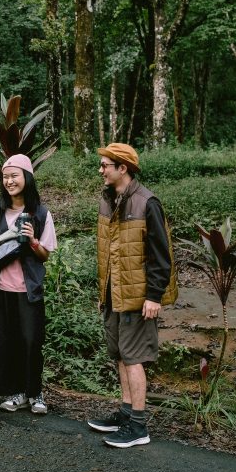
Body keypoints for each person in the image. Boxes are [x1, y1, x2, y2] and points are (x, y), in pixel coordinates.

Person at [87, 143, 177, 448]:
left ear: (122, 168)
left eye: (105, 165)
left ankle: (138, 426)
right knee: (120, 355)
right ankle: (126, 414)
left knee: (134, 357)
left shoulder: (147, 202)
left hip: (138, 297)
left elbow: (161, 255)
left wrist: (154, 295)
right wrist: (104, 291)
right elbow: (109, 251)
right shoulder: (108, 200)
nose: (100, 170)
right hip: (114, 294)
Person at [0, 154, 57, 415]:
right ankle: (17, 392)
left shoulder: (40, 213)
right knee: (6, 342)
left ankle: (35, 393)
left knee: (31, 342)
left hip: (28, 289)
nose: (9, 181)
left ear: (27, 178)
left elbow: (45, 255)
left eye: (14, 176)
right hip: (1, 290)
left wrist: (32, 241)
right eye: (5, 177)